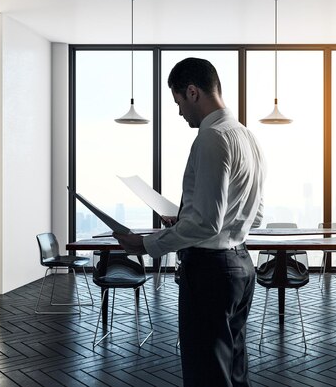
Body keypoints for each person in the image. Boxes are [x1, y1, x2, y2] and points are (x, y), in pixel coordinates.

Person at [114, 57, 265, 387]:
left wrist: (145, 244)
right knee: (232, 371)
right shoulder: (247, 137)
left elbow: (207, 225)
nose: (180, 112)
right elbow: (256, 213)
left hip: (211, 271)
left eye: (178, 101)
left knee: (206, 376)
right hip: (241, 267)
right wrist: (186, 219)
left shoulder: (212, 137)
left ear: (193, 92)